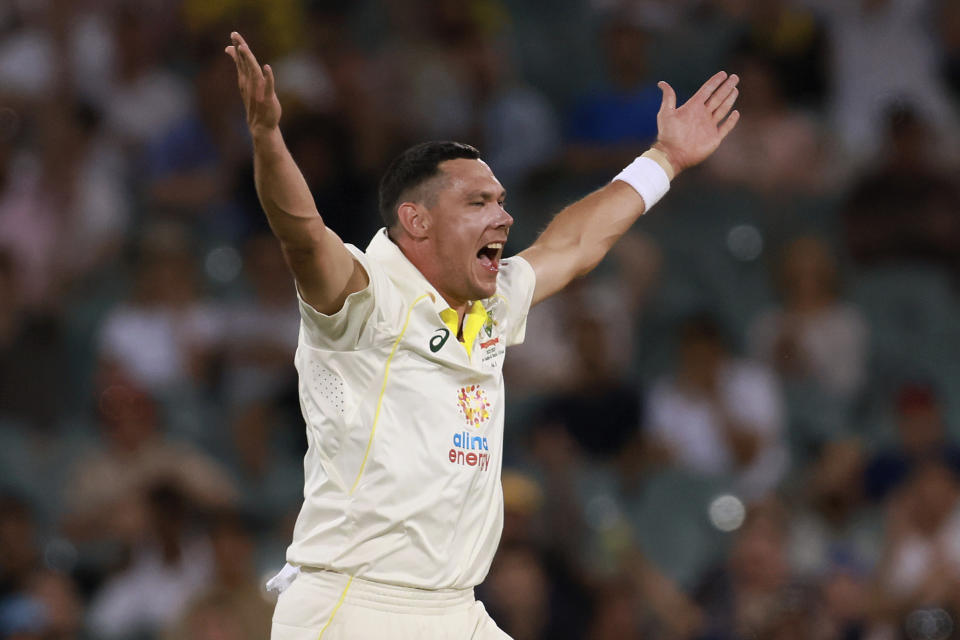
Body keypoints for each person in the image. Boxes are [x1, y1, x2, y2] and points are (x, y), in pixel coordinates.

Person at [224, 30, 740, 640]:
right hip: (356, 607)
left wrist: (664, 160)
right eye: (477, 202)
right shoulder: (366, 297)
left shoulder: (491, 305)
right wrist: (267, 139)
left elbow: (572, 245)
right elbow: (302, 232)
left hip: (456, 609)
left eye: (500, 200)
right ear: (415, 220)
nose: (503, 216)